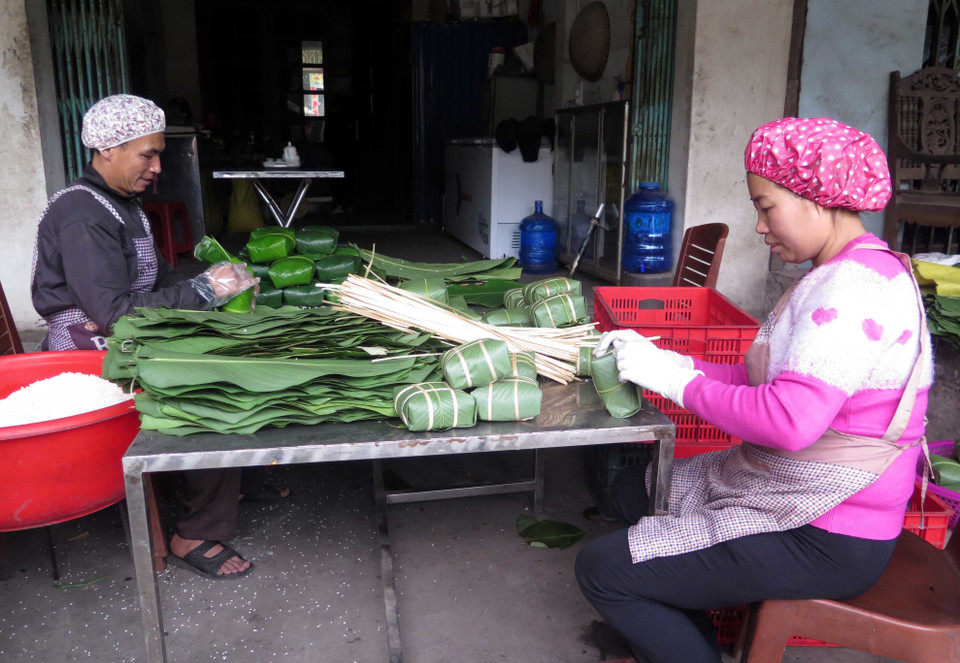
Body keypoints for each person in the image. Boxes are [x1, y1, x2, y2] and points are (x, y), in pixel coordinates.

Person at [575, 117, 934, 662]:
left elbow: (788, 422)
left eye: (767, 207)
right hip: (802, 495)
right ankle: (682, 635)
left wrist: (675, 379)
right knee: (637, 490)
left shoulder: (854, 288)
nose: (761, 226)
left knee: (601, 570)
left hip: (828, 528)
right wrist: (665, 361)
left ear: (819, 197)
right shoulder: (843, 272)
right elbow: (757, 382)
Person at [31, 94, 260, 579]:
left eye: (158, 154)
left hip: (122, 333)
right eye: (147, 154)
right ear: (107, 150)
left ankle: (221, 476)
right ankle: (194, 529)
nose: (157, 167)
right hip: (89, 354)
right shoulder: (81, 213)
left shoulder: (123, 205)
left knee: (232, 348)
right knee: (213, 390)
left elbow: (152, 285)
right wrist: (201, 291)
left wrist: (214, 281)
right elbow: (115, 314)